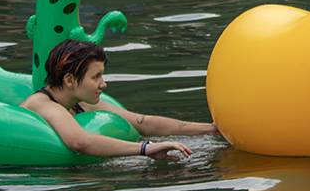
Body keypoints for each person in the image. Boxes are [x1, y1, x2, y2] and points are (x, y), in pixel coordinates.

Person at [20, 39, 216, 159]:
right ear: (69, 79)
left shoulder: (80, 102)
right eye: (96, 77)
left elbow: (143, 122)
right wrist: (145, 149)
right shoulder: (43, 104)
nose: (103, 84)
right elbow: (80, 142)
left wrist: (211, 129)